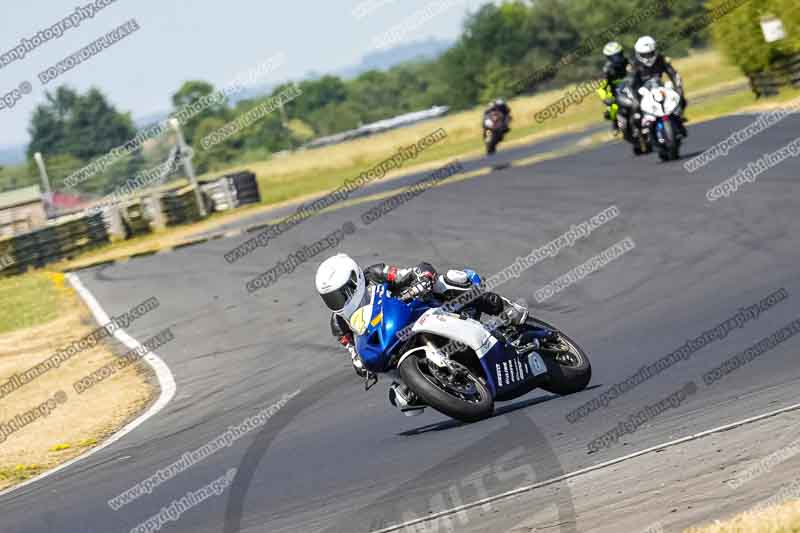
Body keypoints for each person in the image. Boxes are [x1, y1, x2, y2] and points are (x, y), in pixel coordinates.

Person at [315, 253, 528, 378]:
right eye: (331, 298)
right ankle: (427, 382)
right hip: (394, 339)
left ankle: (502, 308)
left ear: (355, 279)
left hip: (416, 308)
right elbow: (352, 350)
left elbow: (408, 273)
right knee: (397, 393)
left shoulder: (375, 274)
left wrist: (422, 278)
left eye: (340, 294)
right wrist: (358, 362)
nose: (338, 302)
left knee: (447, 282)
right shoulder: (339, 322)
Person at [630, 35, 688, 136]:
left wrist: (678, 87)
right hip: (643, 91)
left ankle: (678, 118)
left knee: (681, 99)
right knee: (634, 108)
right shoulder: (634, 65)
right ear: (638, 54)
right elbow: (631, 82)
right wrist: (635, 95)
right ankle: (639, 130)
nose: (648, 57)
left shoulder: (661, 59)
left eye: (650, 54)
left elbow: (673, 74)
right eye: (645, 55)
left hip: (659, 87)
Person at [596, 41, 630, 132]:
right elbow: (600, 88)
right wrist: (606, 98)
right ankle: (615, 124)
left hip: (632, 89)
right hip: (617, 94)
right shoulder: (607, 70)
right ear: (608, 58)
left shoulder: (629, 63)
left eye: (618, 55)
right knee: (613, 108)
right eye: (613, 57)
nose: (617, 59)